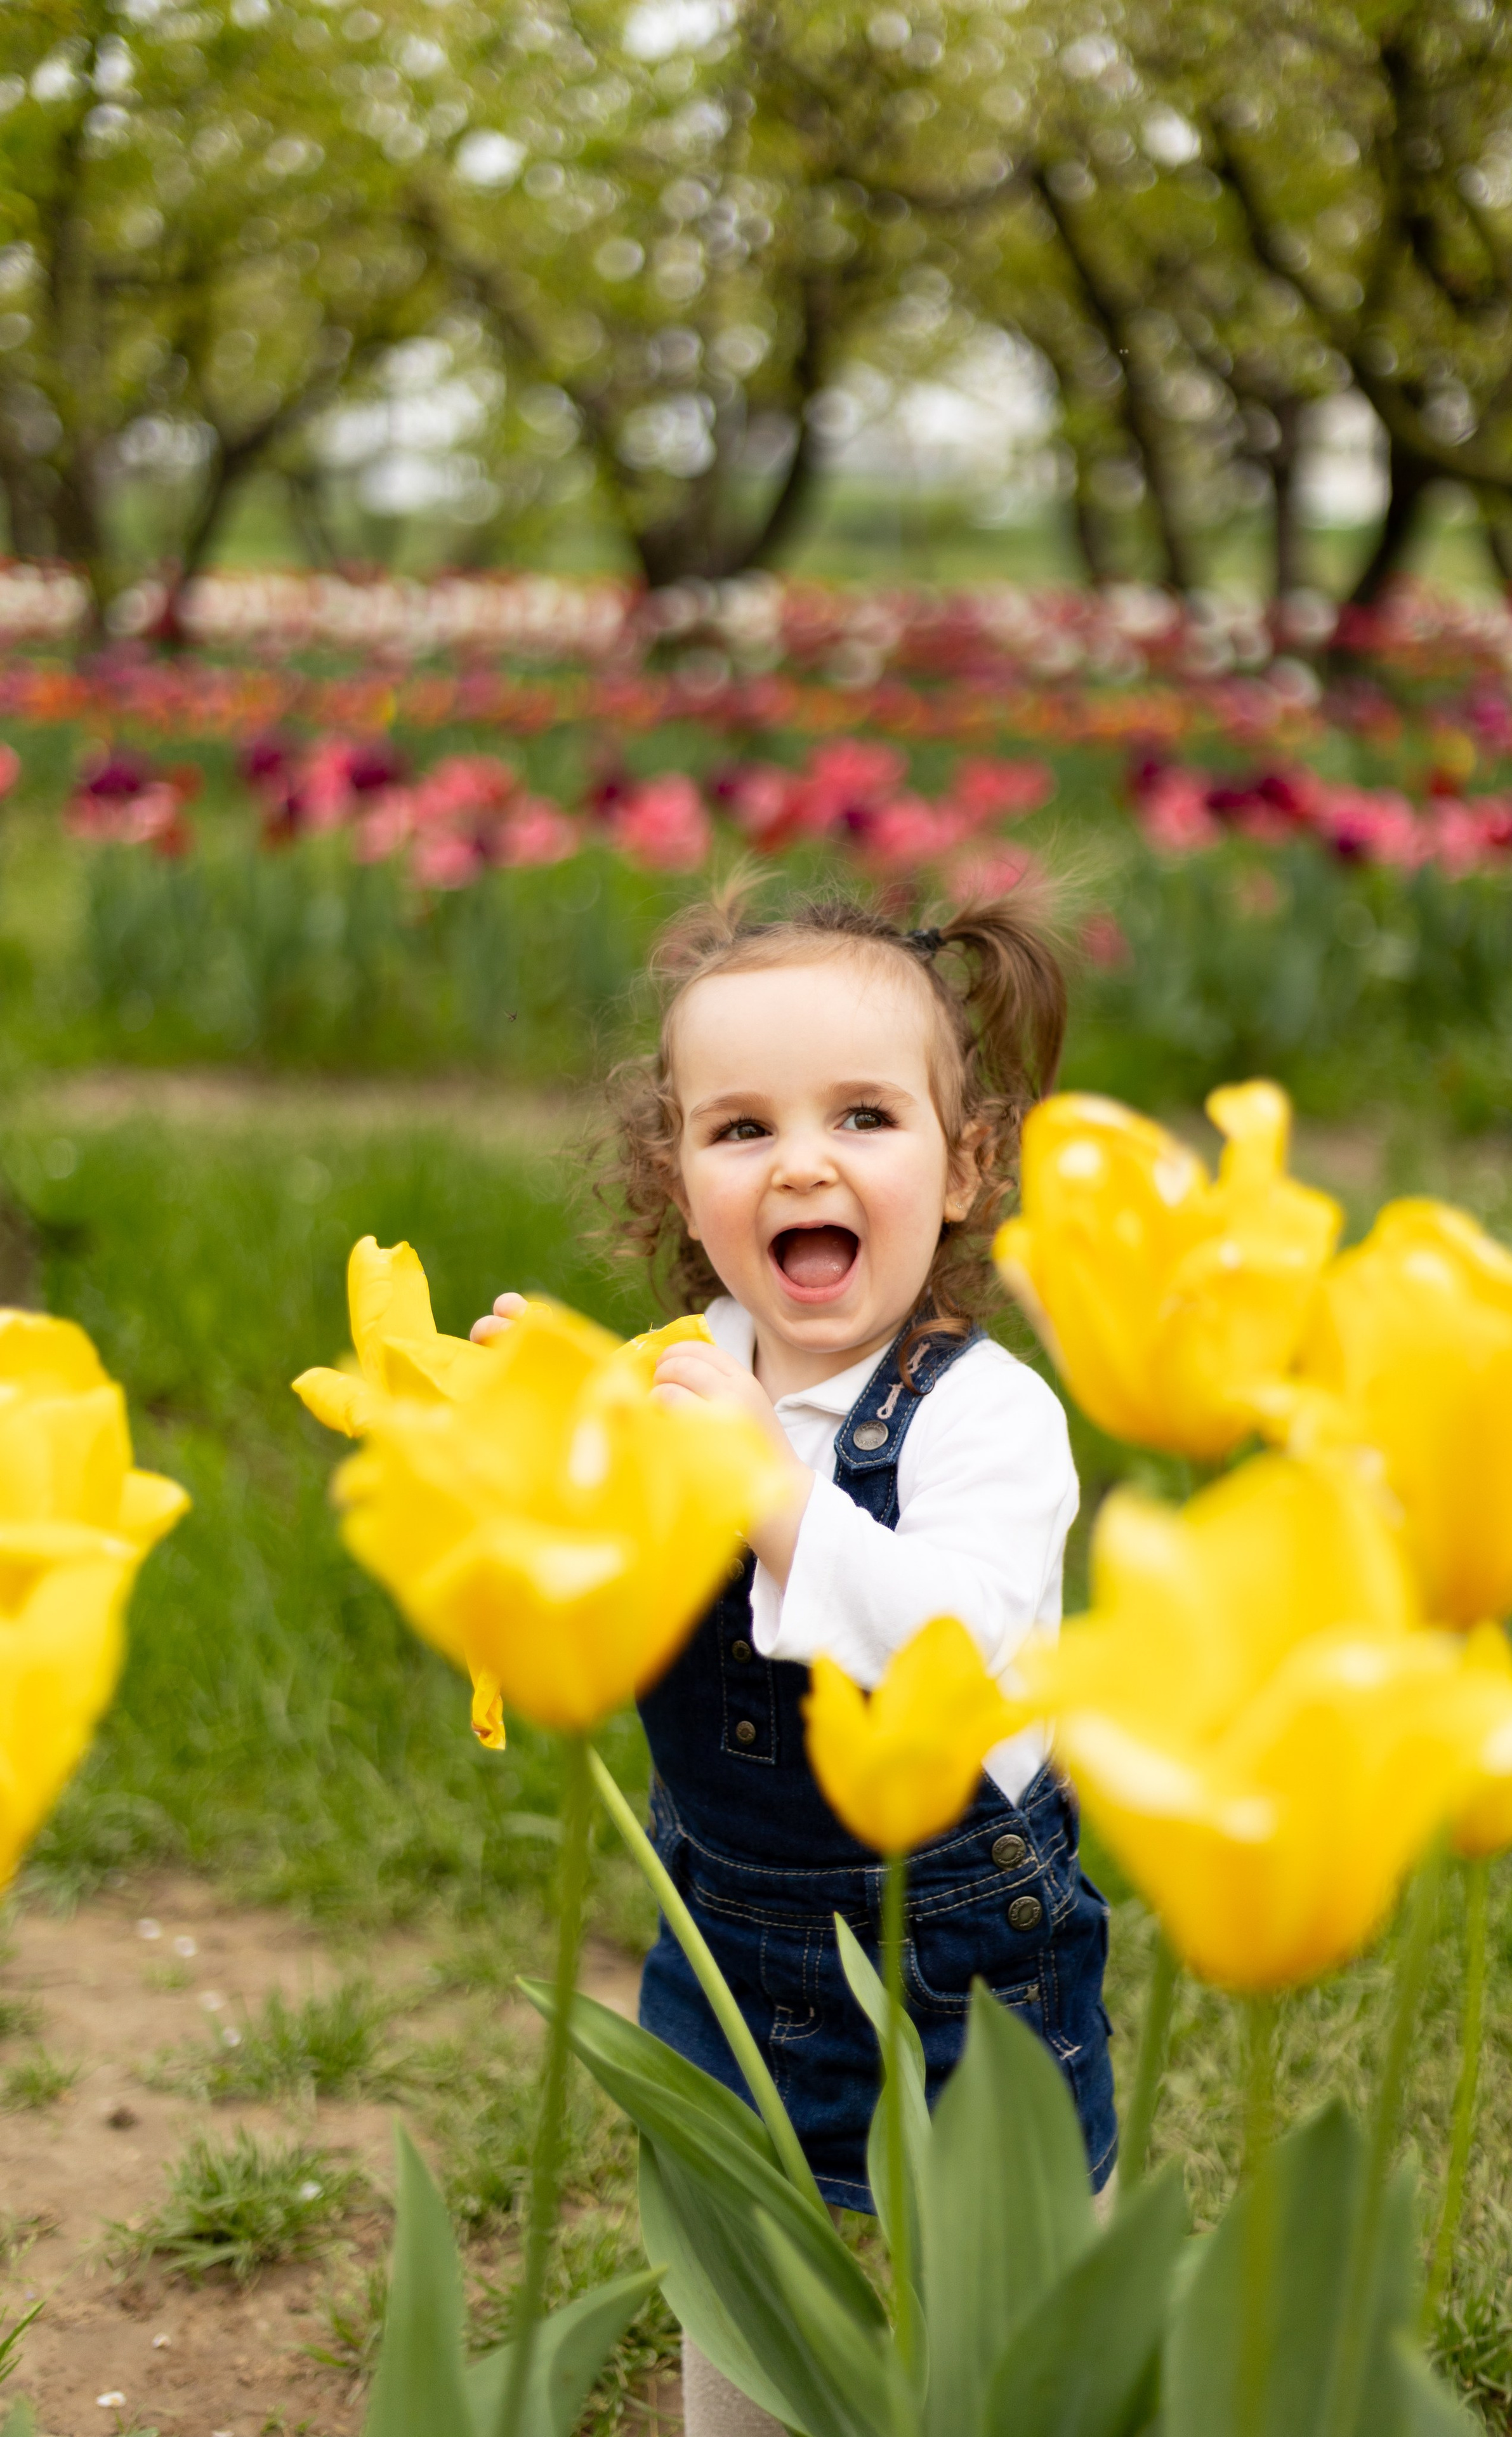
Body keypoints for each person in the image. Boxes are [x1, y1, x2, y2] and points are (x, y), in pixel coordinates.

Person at [473, 889, 1115, 2436]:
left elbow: (957, 1648)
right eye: (740, 1129)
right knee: (737, 2271)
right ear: (679, 1182)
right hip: (729, 1929)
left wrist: (777, 1505)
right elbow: (577, 1567)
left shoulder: (982, 1419)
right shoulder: (682, 1381)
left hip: (958, 1941)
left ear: (961, 1171)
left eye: (863, 1117)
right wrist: (519, 1438)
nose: (802, 1162)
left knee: (1018, 2310)